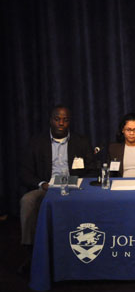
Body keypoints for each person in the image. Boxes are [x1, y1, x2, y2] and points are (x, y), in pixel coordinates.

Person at [20, 105, 94, 247]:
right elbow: (25, 172)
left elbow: (92, 168)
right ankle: (30, 248)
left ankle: (85, 244)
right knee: (27, 200)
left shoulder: (81, 141)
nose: (61, 123)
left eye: (65, 120)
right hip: (47, 188)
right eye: (57, 119)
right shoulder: (36, 142)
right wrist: (42, 184)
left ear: (70, 121)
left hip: (74, 188)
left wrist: (79, 183)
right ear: (50, 120)